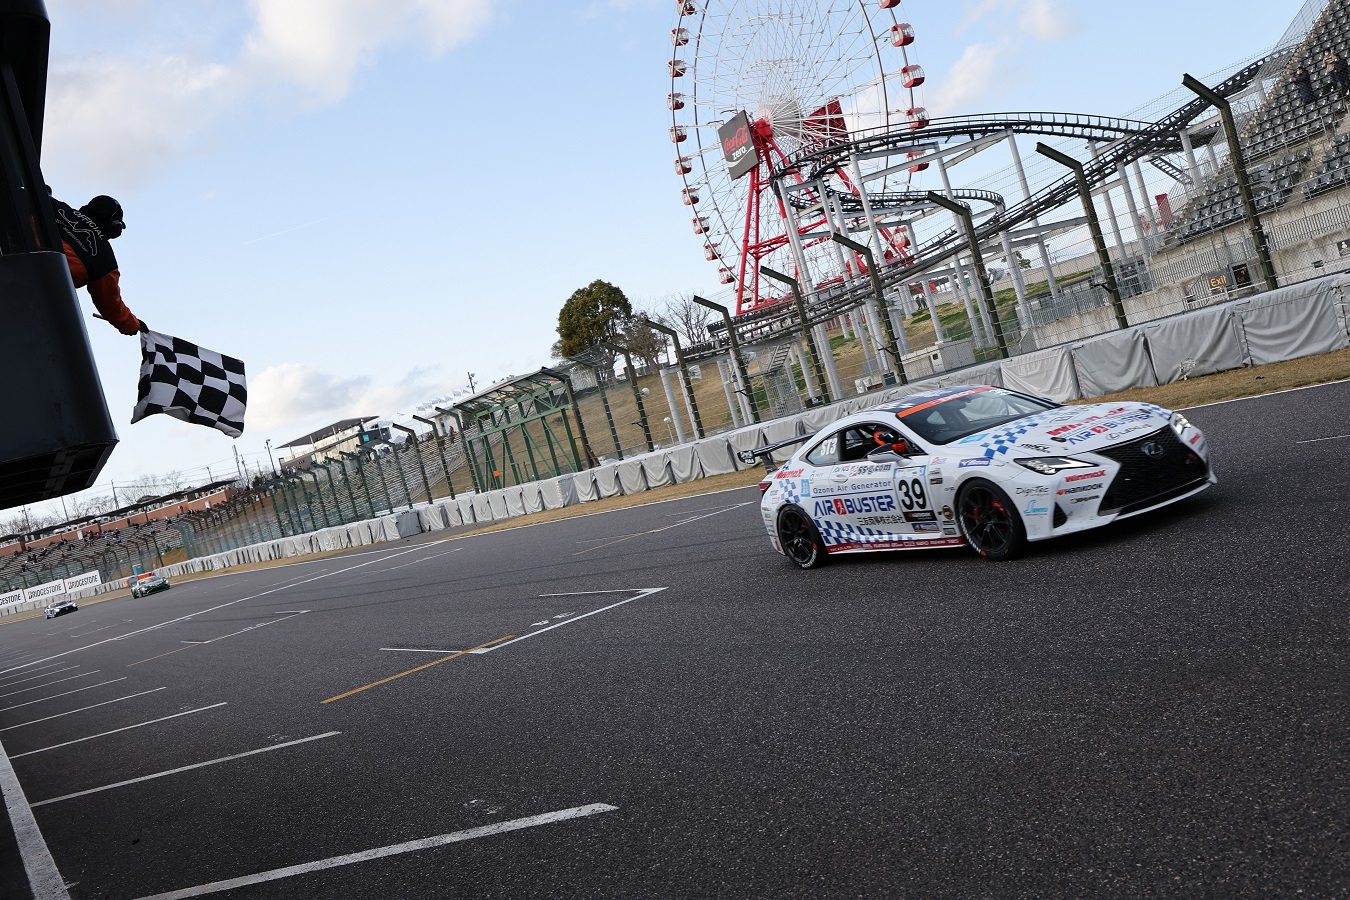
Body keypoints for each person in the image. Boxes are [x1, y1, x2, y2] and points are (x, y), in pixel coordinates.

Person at [50, 193, 141, 336]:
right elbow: (110, 305)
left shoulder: (53, 204)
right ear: (114, 227)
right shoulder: (104, 258)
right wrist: (133, 325)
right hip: (36, 290)